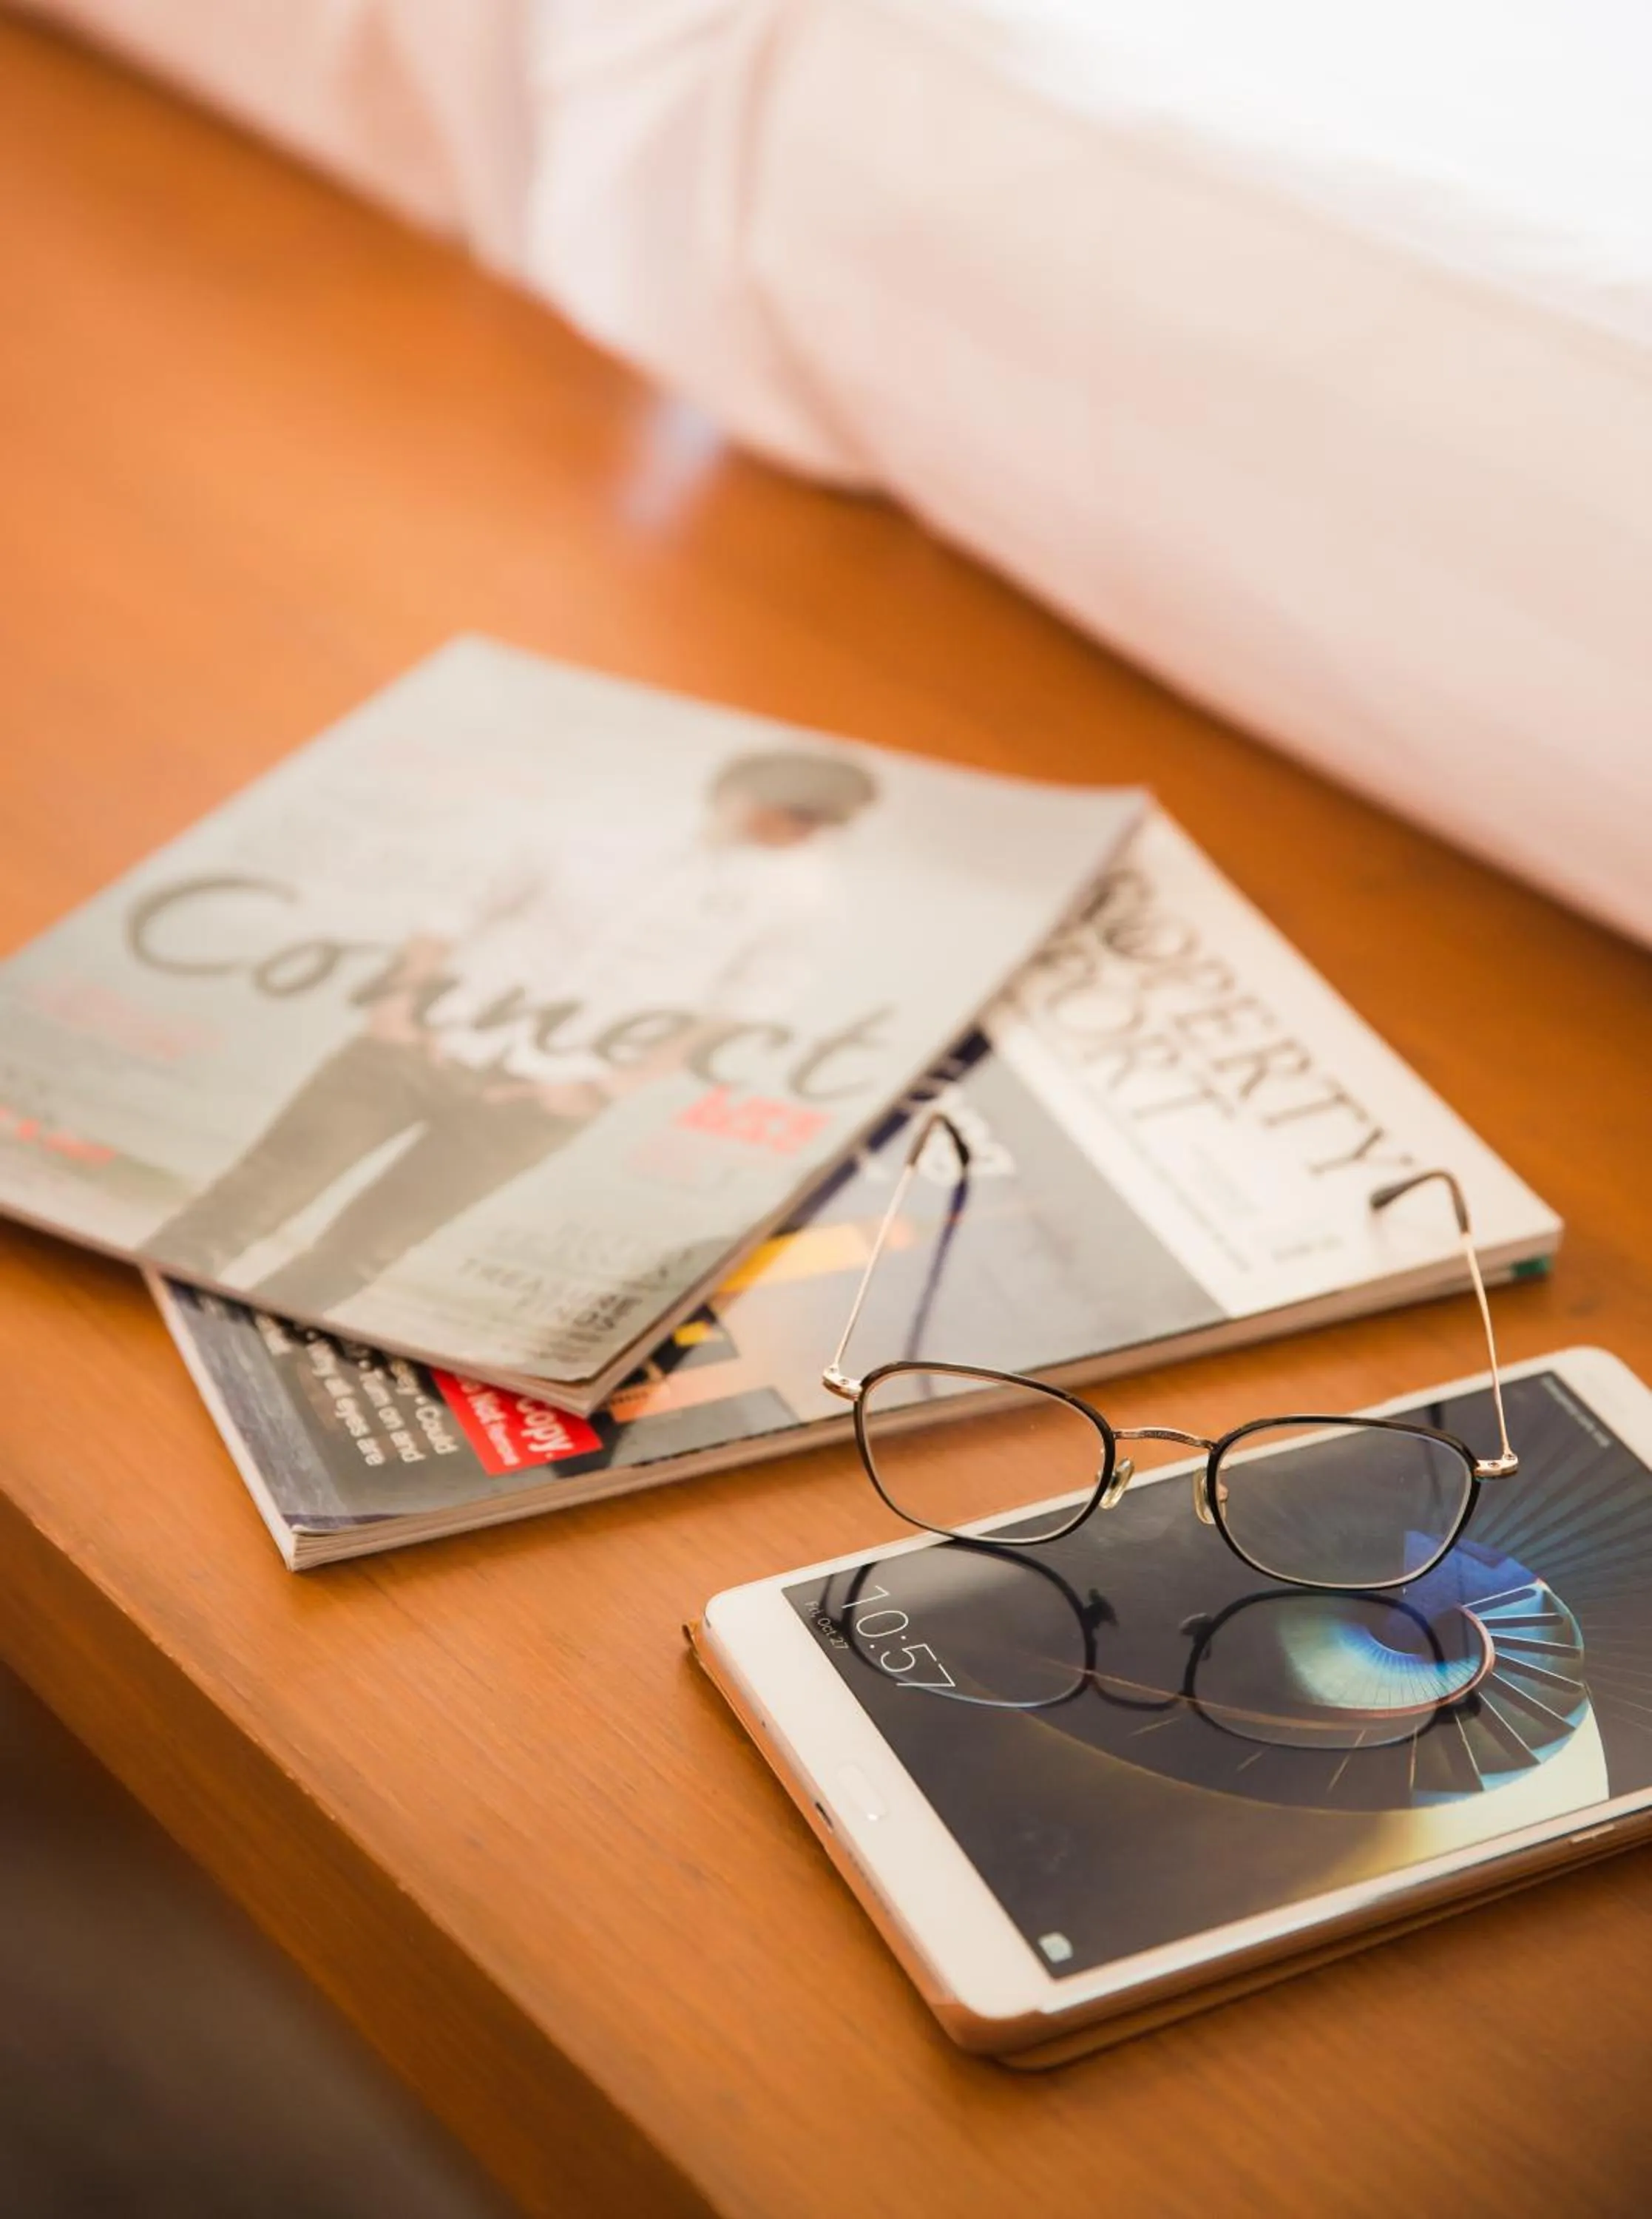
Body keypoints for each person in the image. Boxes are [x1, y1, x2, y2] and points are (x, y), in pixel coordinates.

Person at [146, 749, 876, 1320]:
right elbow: (461, 908)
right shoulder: (605, 826)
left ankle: (237, 1349)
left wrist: (604, 1086)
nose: (803, 830)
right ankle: (148, 1307)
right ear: (742, 789)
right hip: (421, 1043)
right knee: (259, 1188)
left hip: (541, 1097)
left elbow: (744, 1007)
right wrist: (398, 1007)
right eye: (795, 811)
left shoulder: (807, 898)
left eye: (821, 823)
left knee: (367, 1248)